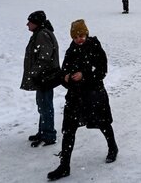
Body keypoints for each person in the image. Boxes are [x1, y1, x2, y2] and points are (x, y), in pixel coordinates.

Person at [48, 19, 118, 181]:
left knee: (103, 123)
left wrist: (84, 76)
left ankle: (112, 147)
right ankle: (64, 165)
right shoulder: (71, 50)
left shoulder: (94, 47)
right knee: (68, 130)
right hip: (75, 97)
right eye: (76, 36)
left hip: (94, 95)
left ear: (86, 33)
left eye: (81, 35)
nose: (79, 39)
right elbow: (63, 70)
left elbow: (101, 70)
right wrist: (65, 77)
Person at [21, 10, 61, 148]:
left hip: (44, 77)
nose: (27, 24)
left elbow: (44, 57)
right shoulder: (40, 33)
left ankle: (49, 134)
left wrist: (34, 72)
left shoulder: (42, 35)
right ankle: (43, 131)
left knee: (45, 106)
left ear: (36, 23)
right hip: (43, 77)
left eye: (30, 22)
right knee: (42, 105)